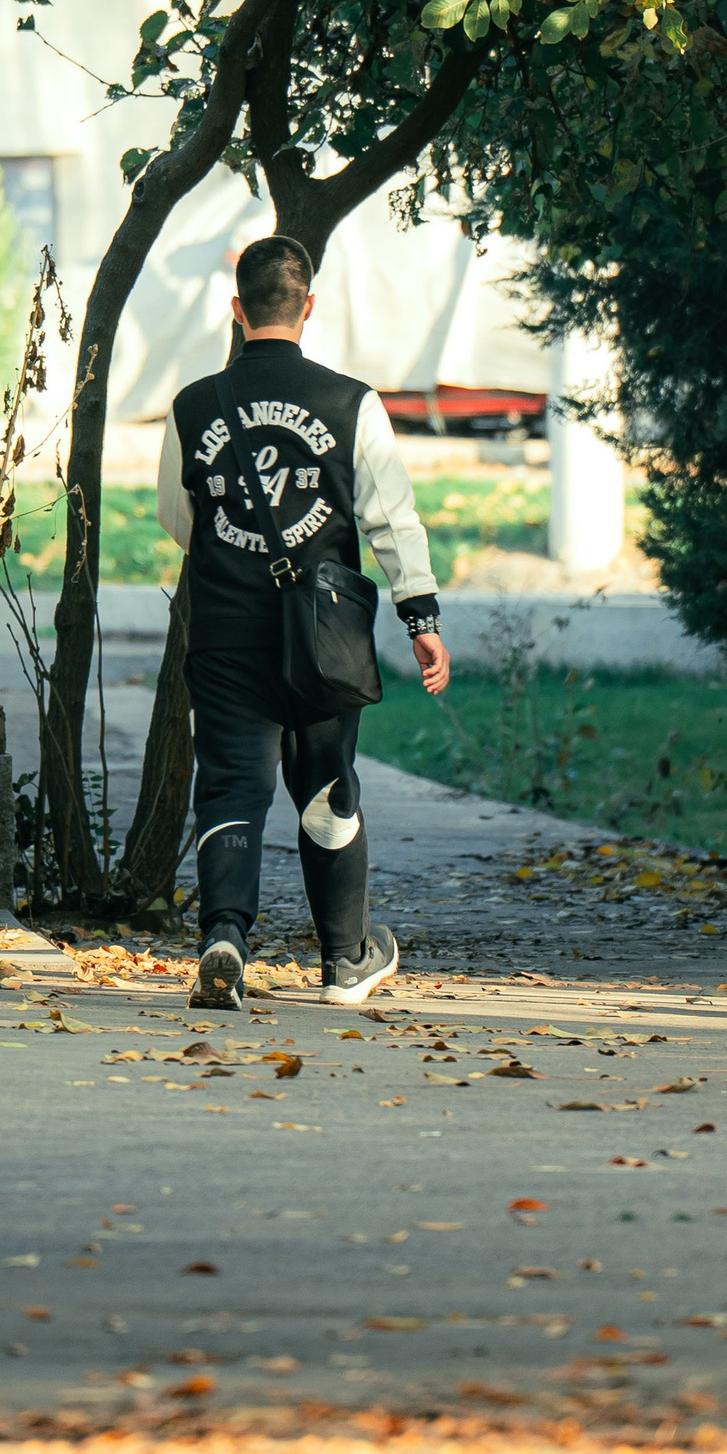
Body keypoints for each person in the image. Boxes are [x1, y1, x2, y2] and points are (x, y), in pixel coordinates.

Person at [160, 232, 451, 1014]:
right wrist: (419, 615)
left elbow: (176, 520)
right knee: (327, 789)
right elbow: (392, 521)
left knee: (231, 788)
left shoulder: (193, 406)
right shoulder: (353, 403)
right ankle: (344, 962)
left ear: (236, 310)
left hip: (226, 632)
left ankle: (223, 938)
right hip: (323, 639)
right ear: (308, 307)